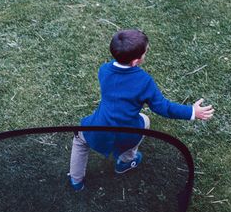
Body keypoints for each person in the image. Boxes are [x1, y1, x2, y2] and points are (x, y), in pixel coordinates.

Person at [68, 29, 214, 191]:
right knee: (145, 120)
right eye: (145, 52)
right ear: (135, 62)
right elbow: (163, 107)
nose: (146, 54)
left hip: (98, 129)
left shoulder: (104, 70)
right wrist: (192, 112)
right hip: (127, 134)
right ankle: (125, 161)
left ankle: (76, 180)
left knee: (80, 141)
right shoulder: (144, 81)